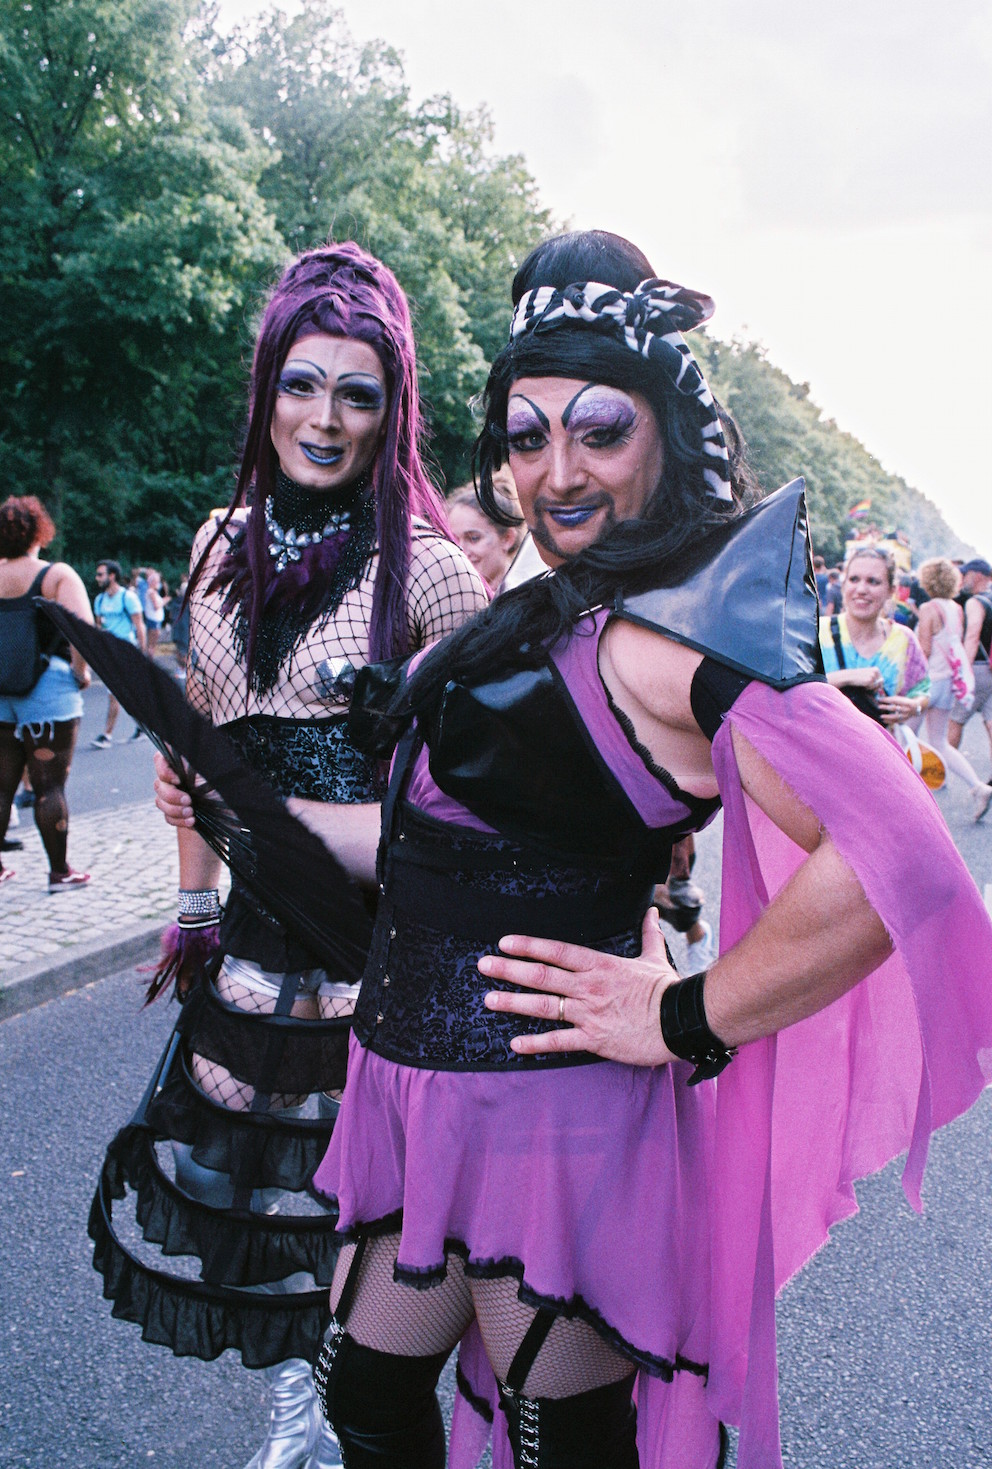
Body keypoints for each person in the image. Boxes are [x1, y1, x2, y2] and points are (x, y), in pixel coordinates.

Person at [158, 233, 992, 1469]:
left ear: (665, 431)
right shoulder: (564, 604)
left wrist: (685, 1013)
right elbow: (433, 845)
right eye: (528, 433)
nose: (558, 470)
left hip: (545, 1118)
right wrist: (244, 810)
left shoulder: (674, 641)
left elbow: (901, 862)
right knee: (366, 1395)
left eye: (599, 430)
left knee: (560, 1441)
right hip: (414, 1089)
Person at [97, 242, 487, 1469]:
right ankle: (295, 1399)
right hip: (252, 943)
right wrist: (192, 903)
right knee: (259, 1184)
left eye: (357, 393)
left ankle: (349, 1395)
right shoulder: (216, 542)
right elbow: (199, 748)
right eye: (302, 384)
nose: (324, 417)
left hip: (380, 946)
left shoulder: (430, 568)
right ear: (266, 389)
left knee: (360, 1203)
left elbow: (478, 793)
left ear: (392, 409)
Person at [0, 496, 93, 891]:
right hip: (49, 690)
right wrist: (80, 674)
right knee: (49, 785)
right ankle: (59, 872)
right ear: (39, 533)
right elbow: (82, 632)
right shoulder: (55, 576)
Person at [818, 546, 930, 725]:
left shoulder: (904, 640)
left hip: (879, 741)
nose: (861, 589)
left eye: (873, 581)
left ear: (891, 590)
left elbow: (923, 690)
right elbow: (792, 692)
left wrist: (914, 706)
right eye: (854, 579)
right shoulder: (817, 632)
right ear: (844, 584)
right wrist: (847, 677)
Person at [915, 556, 990, 820]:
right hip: (947, 682)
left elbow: (923, 649)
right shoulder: (956, 608)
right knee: (940, 741)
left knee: (901, 735)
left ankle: (908, 797)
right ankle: (978, 786)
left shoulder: (928, 608)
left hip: (927, 681)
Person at [92, 560, 147, 746]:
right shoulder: (99, 600)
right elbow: (99, 628)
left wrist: (142, 653)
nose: (97, 578)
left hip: (126, 650)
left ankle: (106, 735)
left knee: (114, 692)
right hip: (109, 652)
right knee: (129, 692)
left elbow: (139, 625)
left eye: (100, 574)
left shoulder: (127, 597)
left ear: (112, 576)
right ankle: (143, 727)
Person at [447, 478, 526, 594]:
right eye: (453, 540)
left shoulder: (528, 595)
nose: (460, 550)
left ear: (507, 539)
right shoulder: (448, 595)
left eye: (474, 538)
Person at [948, 557, 992, 762]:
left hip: (978, 668)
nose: (963, 579)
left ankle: (944, 769)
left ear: (977, 576)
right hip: (990, 667)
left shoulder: (976, 602)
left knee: (955, 719)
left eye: (965, 575)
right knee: (990, 722)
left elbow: (973, 636)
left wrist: (963, 672)